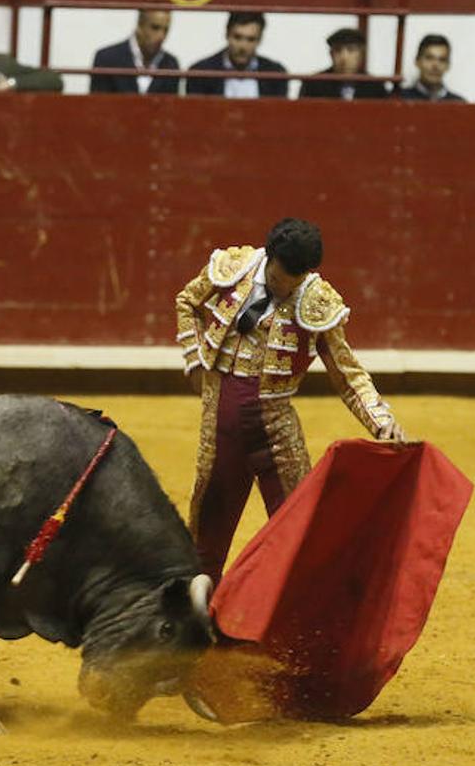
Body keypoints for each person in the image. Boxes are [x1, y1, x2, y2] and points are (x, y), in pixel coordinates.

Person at [174, 218, 406, 583]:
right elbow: (187, 301)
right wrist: (195, 360)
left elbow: (347, 373)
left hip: (275, 425)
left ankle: (295, 613)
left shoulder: (316, 300)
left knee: (301, 527)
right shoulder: (233, 268)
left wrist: (380, 420)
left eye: (294, 283)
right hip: (221, 420)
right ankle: (197, 610)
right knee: (209, 528)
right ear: (269, 257)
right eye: (279, 279)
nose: (285, 289)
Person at [186, 11, 287, 99]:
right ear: (227, 34)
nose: (243, 46)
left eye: (251, 39)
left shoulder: (276, 74)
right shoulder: (200, 73)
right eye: (237, 37)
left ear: (260, 40)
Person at [89, 9, 179, 95]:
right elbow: (98, 103)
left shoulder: (171, 64)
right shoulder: (107, 59)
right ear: (140, 26)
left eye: (166, 30)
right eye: (155, 28)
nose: (161, 36)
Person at [298, 27, 388, 100]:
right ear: (331, 54)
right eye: (338, 50)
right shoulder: (313, 84)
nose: (344, 57)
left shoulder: (375, 86)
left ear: (361, 54)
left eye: (351, 50)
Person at [398, 34, 464, 102]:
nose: (435, 65)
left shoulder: (459, 103)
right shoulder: (399, 100)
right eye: (429, 58)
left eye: (442, 60)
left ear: (448, 65)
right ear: (417, 61)